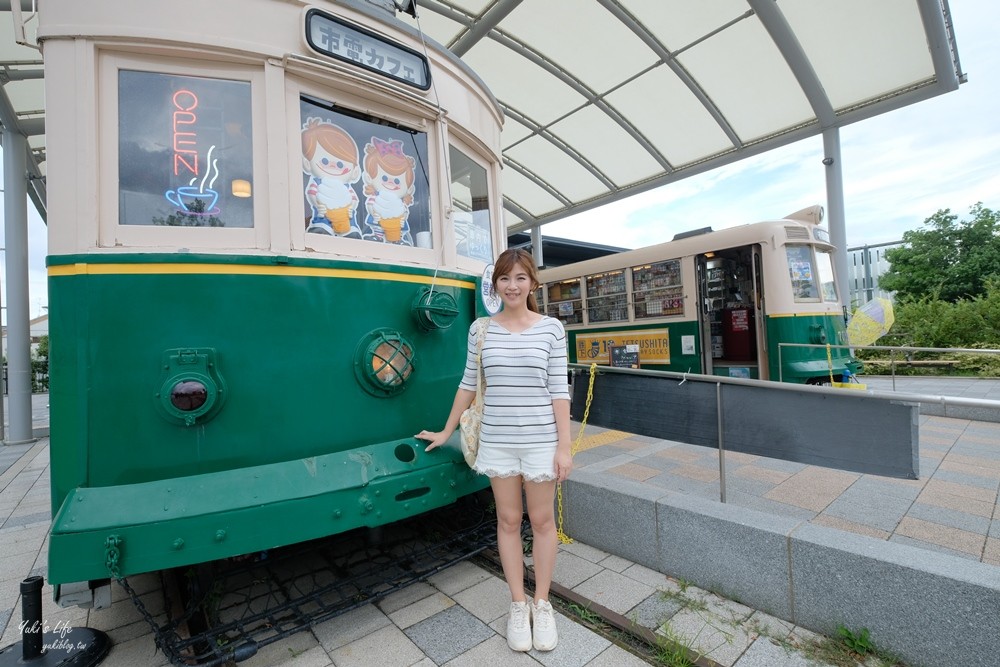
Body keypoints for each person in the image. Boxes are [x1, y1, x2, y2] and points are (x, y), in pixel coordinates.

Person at [415, 247, 572, 652]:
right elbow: (468, 384)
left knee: (541, 521)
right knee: (506, 519)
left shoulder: (552, 329)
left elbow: (559, 391)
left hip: (540, 442)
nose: (513, 285)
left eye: (521, 278)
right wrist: (446, 430)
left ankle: (543, 603)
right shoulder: (481, 329)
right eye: (505, 278)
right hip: (498, 441)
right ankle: (518, 605)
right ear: (495, 285)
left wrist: (565, 448)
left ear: (533, 283)